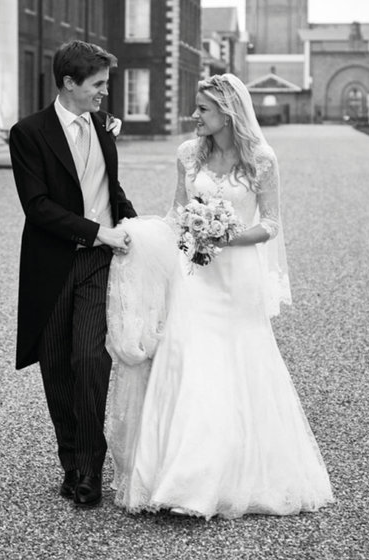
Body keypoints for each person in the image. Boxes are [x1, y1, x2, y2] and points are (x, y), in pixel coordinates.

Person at [105, 73, 335, 519]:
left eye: (204, 109)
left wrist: (228, 236)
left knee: (238, 364)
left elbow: (271, 223)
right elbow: (176, 213)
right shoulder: (188, 155)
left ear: (228, 112)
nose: (196, 115)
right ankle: (177, 476)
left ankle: (229, 475)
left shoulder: (261, 160)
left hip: (237, 281)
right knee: (186, 358)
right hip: (193, 275)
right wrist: (144, 236)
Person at [8, 40, 137, 509]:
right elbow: (37, 207)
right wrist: (96, 232)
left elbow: (110, 187)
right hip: (53, 263)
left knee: (90, 359)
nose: (105, 93)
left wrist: (135, 228)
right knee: (58, 366)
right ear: (69, 83)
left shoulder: (104, 127)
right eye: (98, 84)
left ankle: (91, 467)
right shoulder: (28, 133)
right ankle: (72, 465)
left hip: (99, 263)